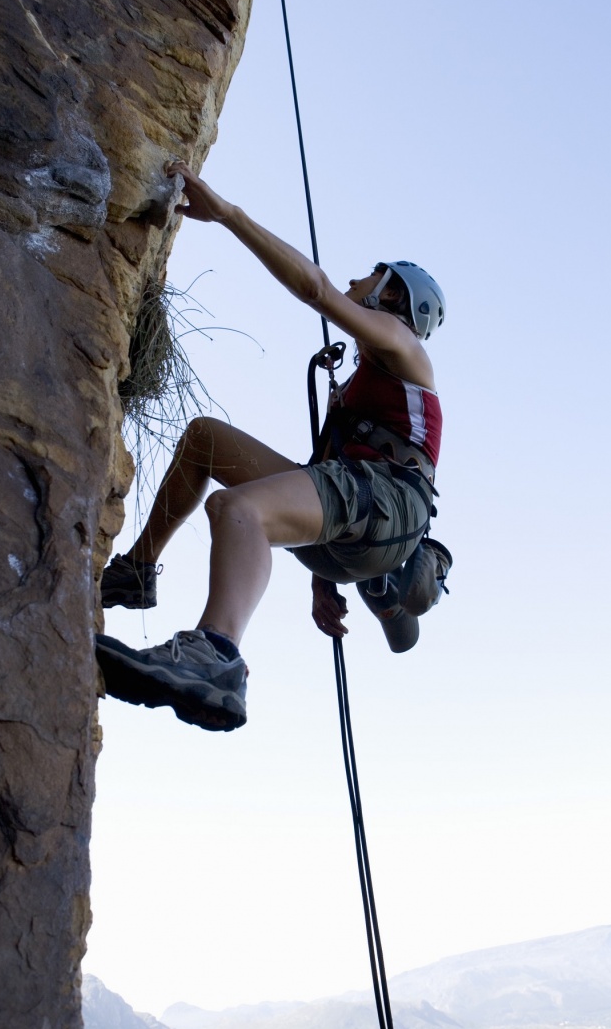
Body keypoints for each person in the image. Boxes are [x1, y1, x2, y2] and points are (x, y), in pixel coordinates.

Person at [95, 160, 447, 733]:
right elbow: (329, 486)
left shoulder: (403, 345)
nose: (357, 282)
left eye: (370, 277)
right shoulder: (362, 388)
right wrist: (321, 578)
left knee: (238, 509)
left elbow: (316, 289)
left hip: (390, 503)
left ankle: (217, 654)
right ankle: (138, 571)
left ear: (392, 298)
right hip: (362, 518)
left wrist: (229, 215)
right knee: (204, 440)